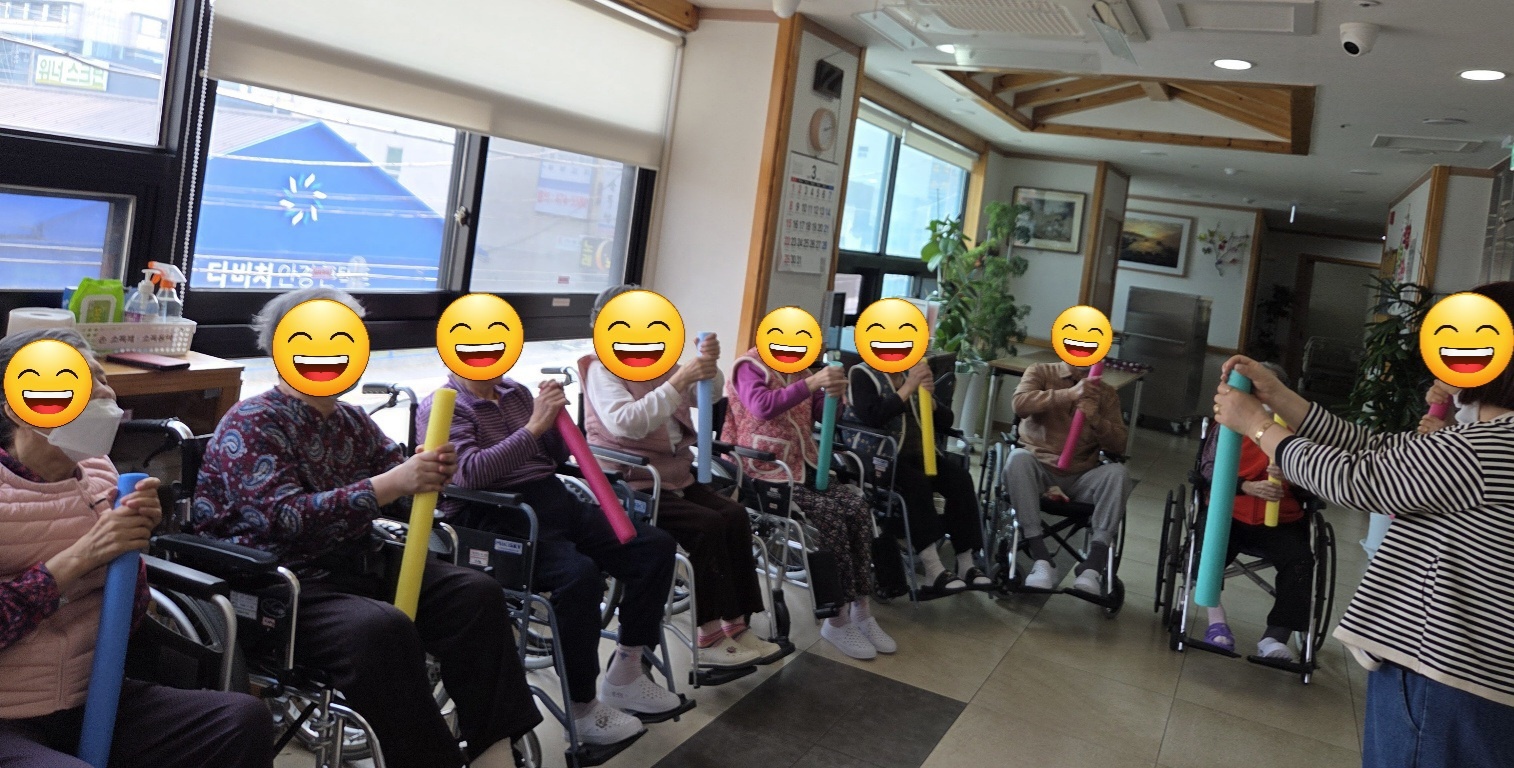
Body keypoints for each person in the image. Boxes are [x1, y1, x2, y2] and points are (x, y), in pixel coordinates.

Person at [189, 289, 540, 768]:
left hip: (355, 567)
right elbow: (284, 517)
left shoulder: (353, 420)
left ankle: (494, 753)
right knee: (381, 630)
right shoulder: (252, 422)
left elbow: (402, 489)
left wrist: (427, 473)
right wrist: (392, 483)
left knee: (476, 594)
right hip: (280, 586)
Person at [1210, 281, 1514, 768]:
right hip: (1468, 678)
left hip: (1443, 677)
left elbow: (1358, 479)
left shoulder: (1482, 449)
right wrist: (1280, 399)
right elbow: (1376, 448)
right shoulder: (1487, 438)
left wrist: (1258, 426)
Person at [0, 328, 274, 768]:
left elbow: (129, 611)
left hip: (94, 694)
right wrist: (80, 558)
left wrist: (135, 543)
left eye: (101, 378)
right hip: (9, 716)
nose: (103, 391)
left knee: (240, 721)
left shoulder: (100, 472)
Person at [418, 359, 680, 747]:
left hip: (551, 497)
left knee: (654, 547)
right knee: (579, 577)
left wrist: (556, 417)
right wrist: (535, 426)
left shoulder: (516, 393)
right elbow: (469, 474)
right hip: (496, 513)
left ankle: (626, 672)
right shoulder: (444, 405)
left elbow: (555, 457)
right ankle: (582, 705)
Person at [581, 286, 776, 668]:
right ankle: (709, 634)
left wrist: (707, 365)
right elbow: (626, 423)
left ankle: (738, 625)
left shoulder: (659, 362)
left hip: (675, 475)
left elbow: (710, 395)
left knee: (735, 516)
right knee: (706, 526)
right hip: (632, 482)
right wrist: (679, 380)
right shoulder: (601, 369)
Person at [723, 341, 897, 660]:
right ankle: (836, 617)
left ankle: (861, 610)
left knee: (857, 508)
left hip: (805, 466)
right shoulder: (749, 366)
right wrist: (813, 382)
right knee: (829, 515)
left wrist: (835, 396)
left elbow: (819, 410)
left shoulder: (798, 367)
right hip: (763, 470)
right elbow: (761, 406)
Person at [1197, 362, 1313, 662]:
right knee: (1206, 546)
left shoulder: (1298, 430)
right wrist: (1245, 486)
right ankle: (1216, 621)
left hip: (1281, 519)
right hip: (1229, 512)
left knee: (1300, 560)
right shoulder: (1227, 424)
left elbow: (1316, 483)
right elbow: (1207, 470)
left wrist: (1292, 475)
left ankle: (1275, 637)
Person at [846, 358, 988, 595]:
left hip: (921, 455)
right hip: (881, 457)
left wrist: (930, 400)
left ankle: (966, 563)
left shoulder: (909, 375)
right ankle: (933, 569)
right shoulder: (861, 374)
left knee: (961, 479)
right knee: (916, 483)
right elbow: (874, 416)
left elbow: (946, 421)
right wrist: (908, 388)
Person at [1003, 360, 1131, 595]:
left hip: (1081, 475)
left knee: (1118, 473)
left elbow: (1119, 445)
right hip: (1038, 469)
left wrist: (1096, 419)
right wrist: (1069, 394)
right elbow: (1019, 405)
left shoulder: (1106, 393)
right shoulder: (1041, 371)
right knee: (1017, 458)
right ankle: (1042, 558)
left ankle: (1093, 565)